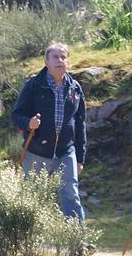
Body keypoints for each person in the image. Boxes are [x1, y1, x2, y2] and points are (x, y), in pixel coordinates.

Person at [11, 42, 87, 221]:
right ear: (46, 62)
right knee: (30, 197)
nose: (60, 61)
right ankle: (26, 239)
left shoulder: (75, 88)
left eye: (63, 57)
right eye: (55, 57)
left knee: (71, 195)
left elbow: (80, 124)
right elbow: (16, 115)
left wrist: (80, 158)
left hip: (66, 152)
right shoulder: (34, 85)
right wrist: (29, 123)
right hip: (36, 151)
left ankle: (77, 242)